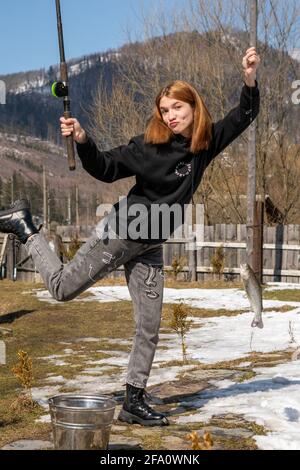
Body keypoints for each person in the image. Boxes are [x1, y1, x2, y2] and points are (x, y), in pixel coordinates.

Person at [0, 47, 260, 426]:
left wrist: (249, 77)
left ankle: (133, 400)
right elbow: (105, 168)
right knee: (60, 289)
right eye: (165, 110)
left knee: (149, 324)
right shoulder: (147, 146)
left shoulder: (204, 145)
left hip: (151, 246)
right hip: (121, 235)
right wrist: (84, 139)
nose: (170, 117)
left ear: (194, 109)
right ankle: (26, 228)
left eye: (177, 109)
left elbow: (245, 114)